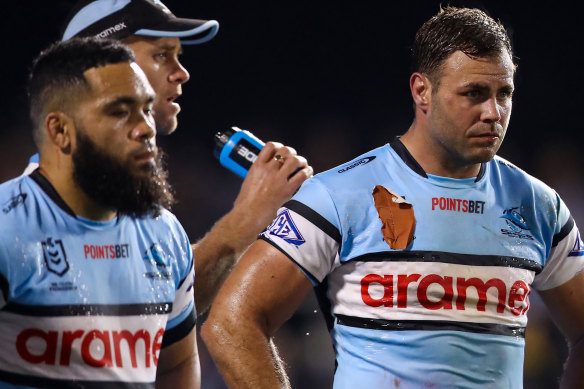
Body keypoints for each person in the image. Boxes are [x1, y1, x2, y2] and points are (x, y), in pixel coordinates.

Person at [201, 6, 584, 388]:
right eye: (474, 93)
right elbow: (231, 324)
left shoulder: (538, 205)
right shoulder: (340, 195)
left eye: (505, 94)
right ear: (422, 91)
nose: (493, 112)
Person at [24, 0, 313, 315]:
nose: (182, 73)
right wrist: (244, 221)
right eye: (161, 55)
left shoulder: (154, 215)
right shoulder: (33, 211)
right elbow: (126, 318)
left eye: (178, 56)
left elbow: (173, 316)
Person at [0, 37, 196, 387]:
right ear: (60, 131)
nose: (146, 128)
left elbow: (174, 366)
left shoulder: (165, 234)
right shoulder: (7, 229)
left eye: (147, 110)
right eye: (120, 112)